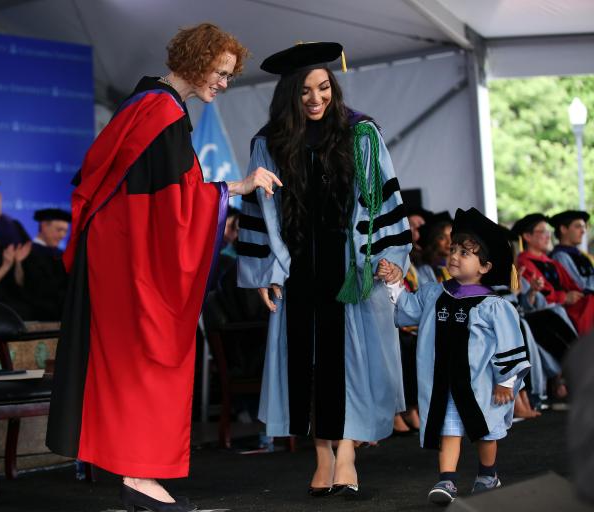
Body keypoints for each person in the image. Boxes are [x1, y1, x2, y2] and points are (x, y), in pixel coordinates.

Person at [45, 23, 278, 512]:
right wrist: (237, 186)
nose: (224, 82)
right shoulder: (164, 115)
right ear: (195, 63)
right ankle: (139, 476)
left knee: (130, 366)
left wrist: (226, 189)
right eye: (221, 72)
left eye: (229, 75)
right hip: (130, 263)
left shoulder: (145, 106)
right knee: (149, 361)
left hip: (114, 257)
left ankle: (137, 476)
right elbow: (176, 208)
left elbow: (151, 192)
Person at [237, 42, 411, 498]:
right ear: (289, 97)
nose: (316, 100)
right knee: (308, 365)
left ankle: (348, 453)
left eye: (324, 88)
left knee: (349, 365)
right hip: (296, 270)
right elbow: (258, 212)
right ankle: (322, 456)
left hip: (350, 268)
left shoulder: (361, 134)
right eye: (305, 92)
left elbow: (383, 202)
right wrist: (265, 273)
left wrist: (386, 259)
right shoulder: (269, 143)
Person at [380, 207, 530, 505]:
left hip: (481, 385)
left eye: (465, 252)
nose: (455, 256)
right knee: (448, 430)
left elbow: (509, 343)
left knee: (486, 432)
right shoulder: (435, 293)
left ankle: (488, 474)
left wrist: (507, 382)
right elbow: (408, 308)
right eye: (454, 249)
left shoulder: (494, 305)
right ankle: (446, 481)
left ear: (485, 267)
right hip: (445, 383)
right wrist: (395, 282)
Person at [514, 213, 594, 335]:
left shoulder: (551, 262)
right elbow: (543, 295)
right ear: (527, 236)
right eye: (542, 232)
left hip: (566, 308)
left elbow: (573, 285)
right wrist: (565, 297)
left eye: (548, 232)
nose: (548, 236)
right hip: (548, 315)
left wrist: (576, 294)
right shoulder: (524, 264)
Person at [22, 208, 71, 321]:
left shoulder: (61, 254)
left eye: (65, 231)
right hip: (36, 316)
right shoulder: (27, 253)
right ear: (44, 226)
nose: (62, 235)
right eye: (59, 230)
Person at [549, 210, 594, 291]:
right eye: (578, 226)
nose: (583, 231)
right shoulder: (560, 256)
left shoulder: (580, 254)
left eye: (584, 227)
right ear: (563, 229)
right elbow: (580, 286)